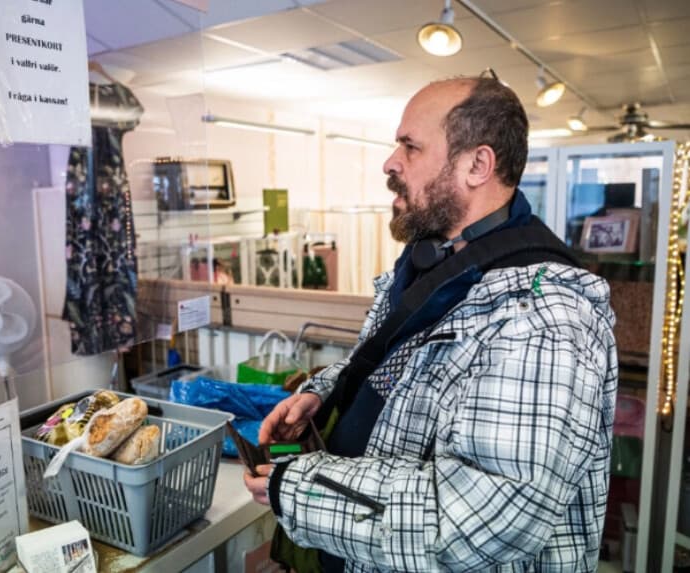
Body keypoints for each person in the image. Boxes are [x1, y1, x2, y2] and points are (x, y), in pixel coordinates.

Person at [244, 76, 618, 572]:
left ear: (477, 165)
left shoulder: (544, 319)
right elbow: (394, 366)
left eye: (410, 147)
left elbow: (473, 524)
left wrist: (294, 487)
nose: (390, 162)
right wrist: (324, 394)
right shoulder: (434, 264)